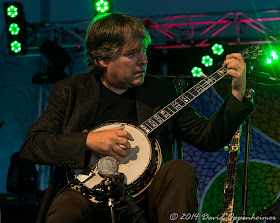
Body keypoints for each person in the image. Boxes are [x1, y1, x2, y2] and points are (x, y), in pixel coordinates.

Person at [20, 12, 255, 223]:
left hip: (147, 201)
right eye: (132, 54)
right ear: (103, 59)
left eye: (144, 51)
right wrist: (89, 141)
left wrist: (237, 92)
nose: (143, 60)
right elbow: (33, 145)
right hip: (86, 200)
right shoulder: (71, 91)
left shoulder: (159, 91)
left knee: (179, 170)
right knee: (66, 208)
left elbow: (209, 138)